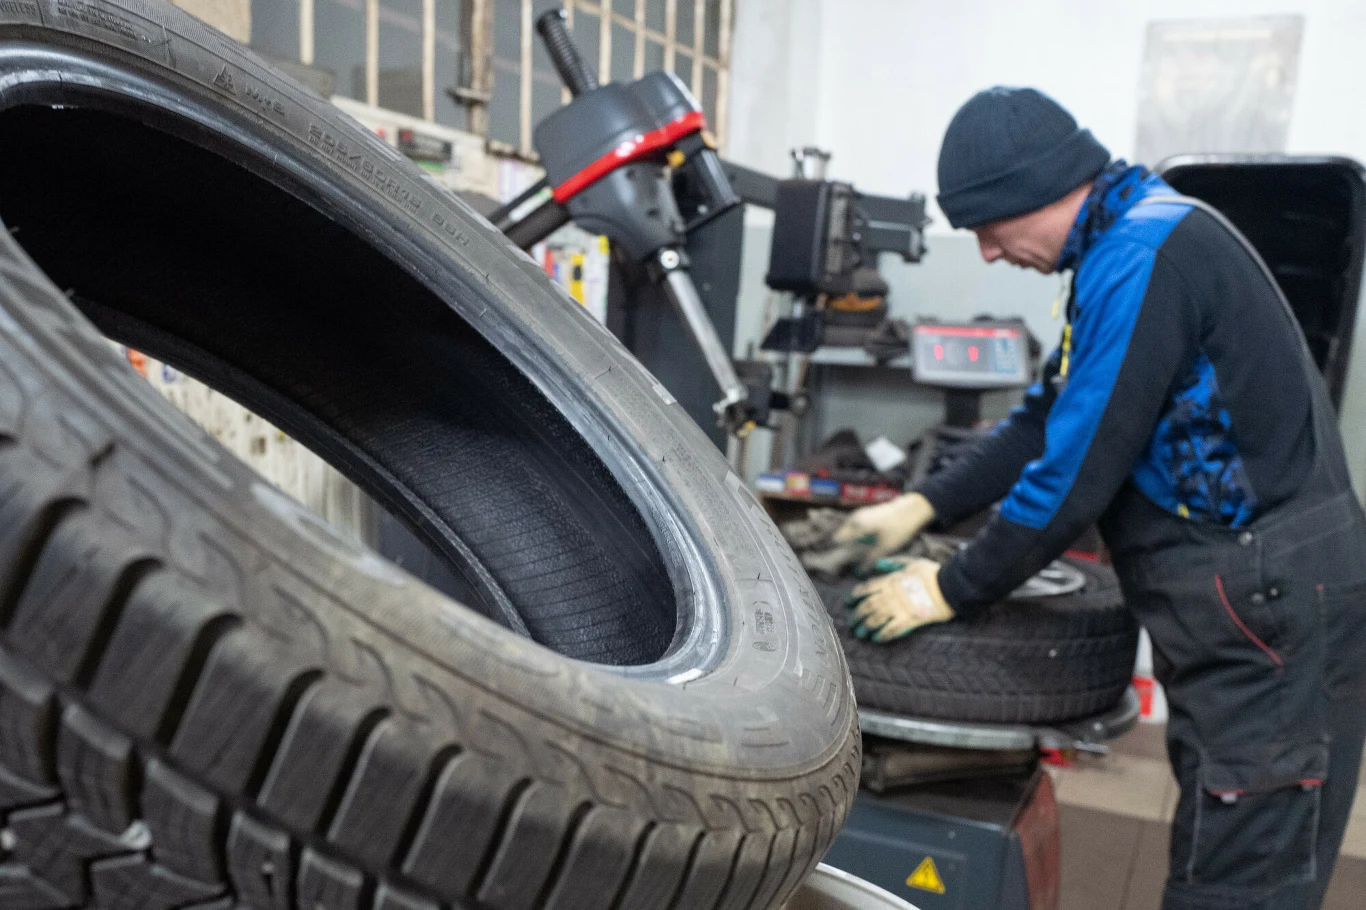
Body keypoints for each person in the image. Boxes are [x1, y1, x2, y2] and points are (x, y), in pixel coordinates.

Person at [834, 86, 1366, 909]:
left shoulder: (1143, 258)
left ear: (1032, 193)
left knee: (1243, 881)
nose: (984, 253)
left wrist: (950, 585)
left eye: (986, 228)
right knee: (1225, 833)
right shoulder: (1123, 245)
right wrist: (924, 506)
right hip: (1252, 600)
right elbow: (1045, 419)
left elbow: (1074, 479)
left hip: (1273, 611)